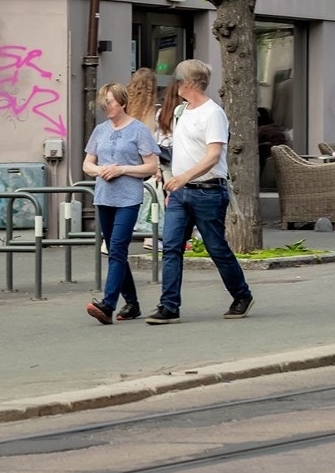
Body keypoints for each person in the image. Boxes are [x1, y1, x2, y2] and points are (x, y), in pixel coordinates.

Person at [146, 59, 254, 324]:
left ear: (190, 83)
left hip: (208, 192)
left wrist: (182, 178)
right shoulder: (182, 111)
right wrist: (174, 182)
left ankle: (242, 294)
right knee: (171, 248)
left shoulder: (213, 113)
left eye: (178, 80)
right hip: (181, 194)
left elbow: (213, 156)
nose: (175, 84)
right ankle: (169, 306)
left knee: (216, 248)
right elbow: (181, 153)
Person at [83, 82, 160, 324]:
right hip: (104, 197)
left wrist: (122, 170)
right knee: (116, 251)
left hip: (128, 198)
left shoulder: (139, 130)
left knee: (117, 248)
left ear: (123, 102)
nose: (106, 105)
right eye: (104, 101)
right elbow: (87, 164)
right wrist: (100, 170)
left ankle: (107, 305)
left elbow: (151, 166)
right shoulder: (100, 130)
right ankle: (133, 303)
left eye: (111, 101)